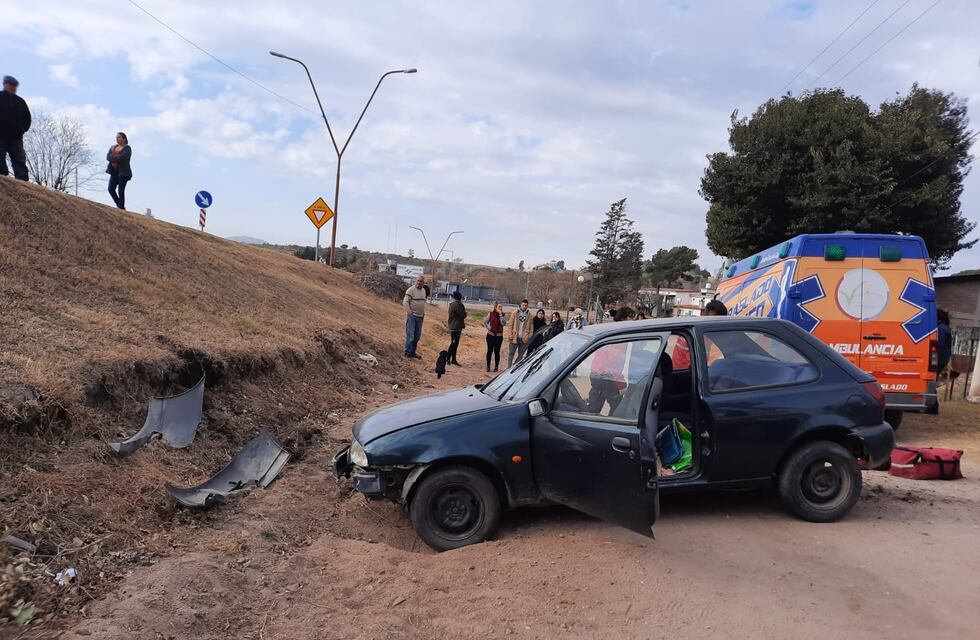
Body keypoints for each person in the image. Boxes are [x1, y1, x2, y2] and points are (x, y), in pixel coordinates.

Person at [0, 75, 31, 181]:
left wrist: (22, 130)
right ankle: (2, 176)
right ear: (5, 85)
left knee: (19, 159)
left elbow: (27, 118)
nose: (13, 88)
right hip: (0, 135)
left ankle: (22, 179)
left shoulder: (20, 102)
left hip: (16, 136)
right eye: (11, 85)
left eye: (14, 86)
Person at [106, 132, 132, 209]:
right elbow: (108, 157)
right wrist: (114, 158)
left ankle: (121, 207)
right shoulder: (113, 147)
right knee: (110, 189)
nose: (117, 139)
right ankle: (120, 206)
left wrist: (113, 158)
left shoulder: (127, 148)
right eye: (116, 137)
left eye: (119, 137)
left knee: (120, 190)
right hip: (114, 171)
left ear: (124, 139)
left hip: (123, 172)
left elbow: (122, 158)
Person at [403, 275, 427, 359]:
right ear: (416, 281)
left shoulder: (423, 290)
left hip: (420, 317)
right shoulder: (410, 290)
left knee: (417, 336)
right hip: (412, 317)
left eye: (421, 281)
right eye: (418, 281)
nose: (419, 282)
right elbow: (405, 302)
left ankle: (413, 352)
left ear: (423, 282)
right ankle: (407, 353)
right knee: (411, 336)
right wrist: (410, 313)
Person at [506, 300, 534, 367]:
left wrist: (529, 336)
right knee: (511, 353)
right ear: (520, 305)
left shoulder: (529, 315)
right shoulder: (515, 313)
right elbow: (510, 325)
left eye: (526, 305)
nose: (524, 306)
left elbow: (531, 327)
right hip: (514, 337)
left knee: (520, 355)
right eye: (523, 305)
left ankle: (514, 368)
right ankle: (509, 368)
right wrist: (510, 335)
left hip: (524, 338)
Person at [483, 302, 507, 372]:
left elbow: (503, 323)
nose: (500, 308)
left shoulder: (503, 315)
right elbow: (485, 322)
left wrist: (500, 315)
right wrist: (489, 327)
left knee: (497, 351)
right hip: (490, 335)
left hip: (499, 336)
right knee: (489, 351)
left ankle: (496, 367)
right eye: (499, 307)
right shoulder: (491, 314)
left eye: (501, 307)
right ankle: (488, 366)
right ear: (495, 307)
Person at [447, 290, 466, 366]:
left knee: (454, 343)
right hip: (456, 326)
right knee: (454, 344)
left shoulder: (452, 304)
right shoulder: (457, 305)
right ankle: (449, 358)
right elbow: (463, 315)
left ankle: (453, 359)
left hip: (453, 326)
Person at [937, 309, 952, 375]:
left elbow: (940, 342)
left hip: (940, 358)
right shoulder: (944, 327)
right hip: (943, 358)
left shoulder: (941, 328)